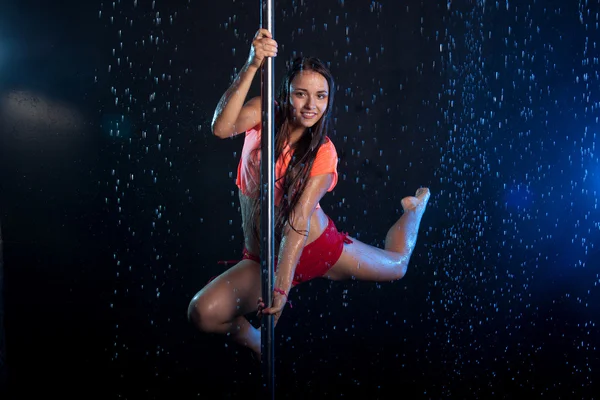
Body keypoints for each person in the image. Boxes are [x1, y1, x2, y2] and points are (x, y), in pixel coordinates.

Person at [188, 29, 431, 357]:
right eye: (301, 94)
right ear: (286, 92)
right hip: (263, 257)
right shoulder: (264, 115)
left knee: (398, 265)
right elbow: (221, 127)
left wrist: (281, 291)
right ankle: (258, 343)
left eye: (321, 96)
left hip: (314, 247)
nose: (311, 105)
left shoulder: (324, 152)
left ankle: (414, 210)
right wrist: (253, 63)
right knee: (202, 312)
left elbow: (298, 221)